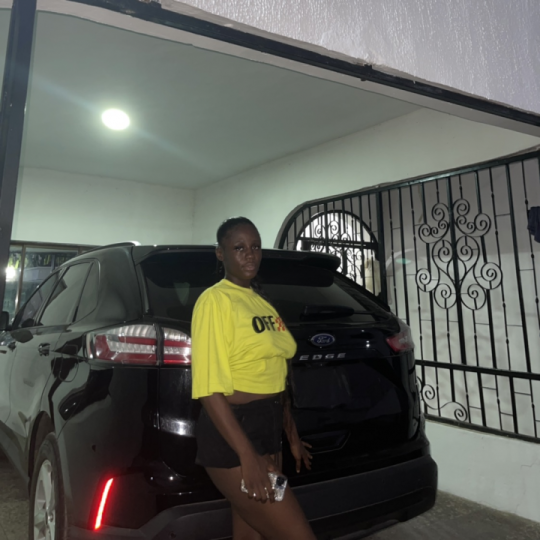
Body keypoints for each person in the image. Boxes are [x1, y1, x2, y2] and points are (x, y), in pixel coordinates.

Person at [191, 217, 316, 540]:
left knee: (251, 536)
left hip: (267, 430)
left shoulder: (261, 303)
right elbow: (208, 389)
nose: (250, 254)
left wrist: (291, 435)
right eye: (239, 247)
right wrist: (247, 455)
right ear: (221, 253)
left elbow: (275, 377)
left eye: (255, 246)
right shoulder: (215, 301)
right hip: (233, 438)